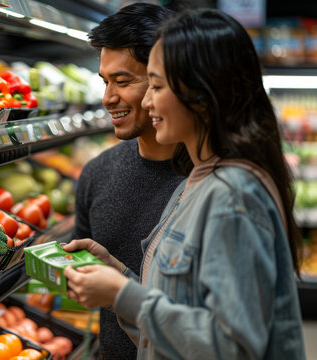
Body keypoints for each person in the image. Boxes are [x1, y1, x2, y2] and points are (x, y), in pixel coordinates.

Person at [64, 9, 305, 359]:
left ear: (200, 95)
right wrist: (119, 277)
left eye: (156, 85)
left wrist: (122, 295)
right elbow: (176, 314)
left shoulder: (232, 194)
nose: (147, 101)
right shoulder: (199, 181)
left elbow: (234, 347)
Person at [71, 3, 184, 359]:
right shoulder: (96, 174)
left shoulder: (207, 185)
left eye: (123, 81)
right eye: (105, 81)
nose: (108, 99)